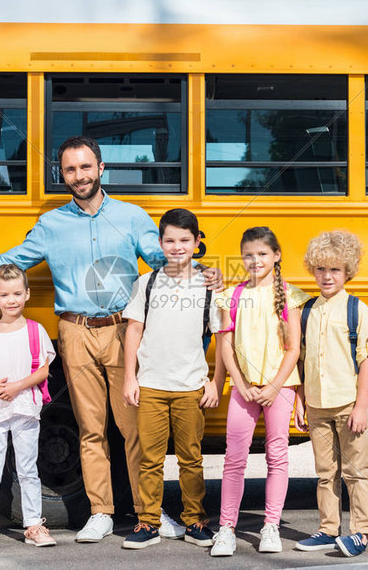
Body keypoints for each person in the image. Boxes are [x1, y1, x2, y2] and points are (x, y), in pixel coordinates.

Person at [0, 136, 221, 542]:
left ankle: (151, 511)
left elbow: (169, 261)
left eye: (86, 167)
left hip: (123, 330)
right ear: (63, 174)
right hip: (74, 332)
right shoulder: (51, 225)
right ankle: (101, 512)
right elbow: (10, 262)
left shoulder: (131, 217)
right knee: (90, 429)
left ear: (101, 168)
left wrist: (206, 274)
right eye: (71, 169)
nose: (79, 176)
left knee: (135, 429)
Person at [120, 209, 225, 550]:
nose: (177, 247)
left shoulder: (208, 285)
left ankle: (194, 520)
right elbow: (133, 330)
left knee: (191, 459)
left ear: (197, 243)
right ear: (160, 243)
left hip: (191, 386)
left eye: (184, 240)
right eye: (169, 240)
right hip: (151, 384)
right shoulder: (147, 283)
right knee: (149, 458)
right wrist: (130, 378)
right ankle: (148, 522)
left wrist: (215, 382)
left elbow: (222, 336)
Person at [210, 226, 308, 557]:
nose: (255, 260)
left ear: (276, 256)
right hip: (244, 388)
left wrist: (275, 386)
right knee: (234, 458)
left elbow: (294, 348)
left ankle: (270, 526)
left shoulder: (290, 296)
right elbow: (225, 346)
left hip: (279, 388)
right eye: (249, 255)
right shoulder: (232, 296)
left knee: (276, 456)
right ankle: (226, 528)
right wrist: (239, 383)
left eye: (263, 254)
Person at [294, 230, 368, 558]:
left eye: (335, 270)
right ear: (312, 270)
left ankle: (361, 532)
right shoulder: (308, 310)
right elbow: (301, 358)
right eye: (321, 269)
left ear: (348, 272)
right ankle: (329, 529)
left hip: (347, 404)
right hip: (316, 405)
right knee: (325, 473)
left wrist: (361, 407)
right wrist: (300, 400)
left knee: (356, 472)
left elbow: (366, 360)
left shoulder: (357, 309)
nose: (327, 276)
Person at [0, 264, 57, 551]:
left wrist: (17, 386)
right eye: (5, 294)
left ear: (27, 294)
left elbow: (43, 371)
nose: (12, 300)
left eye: (17, 293)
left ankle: (33, 524)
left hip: (24, 407)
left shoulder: (35, 331)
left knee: (27, 468)